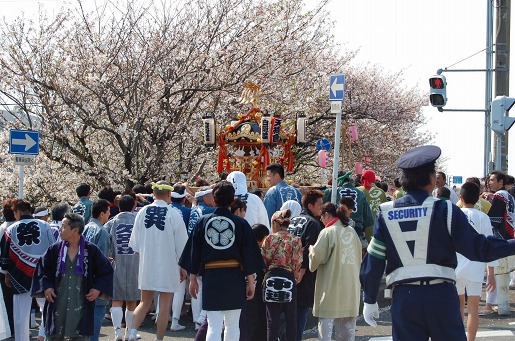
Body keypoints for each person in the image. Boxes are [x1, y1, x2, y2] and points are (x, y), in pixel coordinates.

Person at [360, 145, 515, 341]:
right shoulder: (446, 210)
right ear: (432, 179)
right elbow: (480, 248)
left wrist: (370, 298)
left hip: (404, 298)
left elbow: (374, 261)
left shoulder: (385, 212)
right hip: (441, 295)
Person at [179, 180, 265, 341]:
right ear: (233, 200)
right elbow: (249, 255)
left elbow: (194, 253)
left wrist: (192, 279)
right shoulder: (241, 223)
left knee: (213, 324)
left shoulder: (203, 222)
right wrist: (251, 281)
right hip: (234, 278)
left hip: (211, 278)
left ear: (214, 198)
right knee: (232, 325)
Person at [31, 213, 113, 341]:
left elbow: (106, 271)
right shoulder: (55, 249)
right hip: (58, 303)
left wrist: (97, 289)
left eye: (63, 226)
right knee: (54, 336)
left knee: (80, 336)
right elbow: (42, 269)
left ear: (75, 230)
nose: (60, 229)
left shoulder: (91, 250)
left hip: (80, 303)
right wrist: (46, 287)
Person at [127, 181, 188, 341]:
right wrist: (183, 267)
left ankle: (132, 333)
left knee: (144, 301)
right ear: (169, 194)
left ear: (153, 194)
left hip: (147, 264)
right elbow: (182, 245)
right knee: (164, 305)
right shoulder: (173, 213)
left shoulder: (142, 212)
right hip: (168, 265)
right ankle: (159, 339)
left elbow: (135, 244)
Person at [0, 199, 56, 341]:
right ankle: (44, 335)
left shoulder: (10, 229)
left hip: (19, 275)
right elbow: (54, 250)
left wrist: (6, 273)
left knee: (20, 315)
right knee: (47, 309)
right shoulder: (45, 225)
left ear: (18, 212)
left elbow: (5, 256)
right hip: (42, 274)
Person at [309, 198, 362, 341]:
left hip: (332, 285)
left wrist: (310, 249)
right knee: (347, 332)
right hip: (351, 285)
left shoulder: (328, 232)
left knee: (326, 326)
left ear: (327, 215)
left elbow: (316, 258)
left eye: (321, 216)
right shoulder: (351, 231)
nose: (321, 220)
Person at [455, 182, 497, 341]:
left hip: (456, 266)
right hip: (476, 266)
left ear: (461, 198)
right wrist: (491, 273)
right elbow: (489, 245)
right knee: (473, 308)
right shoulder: (483, 217)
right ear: (478, 200)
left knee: (458, 306)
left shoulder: (455, 215)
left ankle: (458, 338)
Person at [287, 189, 324, 341]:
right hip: (302, 275)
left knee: (288, 315)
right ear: (310, 205)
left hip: (287, 269)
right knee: (300, 313)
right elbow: (307, 248)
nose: (322, 207)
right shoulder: (313, 223)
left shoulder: (294, 220)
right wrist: (301, 271)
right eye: (320, 204)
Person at [261, 209, 303, 341]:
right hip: (288, 279)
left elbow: (263, 261)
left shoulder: (269, 238)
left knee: (272, 321)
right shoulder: (295, 240)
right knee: (291, 319)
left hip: (271, 277)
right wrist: (295, 276)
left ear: (275, 223)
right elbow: (297, 263)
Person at [105, 195, 140, 341]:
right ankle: (130, 333)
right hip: (135, 264)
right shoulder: (138, 221)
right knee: (132, 300)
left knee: (117, 299)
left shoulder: (111, 222)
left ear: (118, 207)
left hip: (117, 264)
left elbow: (106, 246)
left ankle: (117, 332)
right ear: (133, 206)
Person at [187, 186, 216, 329]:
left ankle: (196, 319)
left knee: (196, 287)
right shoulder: (209, 211)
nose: (214, 197)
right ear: (205, 197)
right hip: (204, 253)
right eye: (212, 195)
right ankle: (202, 319)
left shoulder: (194, 209)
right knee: (203, 287)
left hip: (193, 252)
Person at [82, 199, 111, 341]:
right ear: (102, 214)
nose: (109, 215)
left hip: (83, 279)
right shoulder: (102, 232)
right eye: (108, 212)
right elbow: (102, 263)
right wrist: (99, 286)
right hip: (96, 284)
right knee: (95, 324)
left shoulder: (85, 227)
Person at [323, 171, 373, 250]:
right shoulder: (361, 193)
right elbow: (368, 219)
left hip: (337, 230)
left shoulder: (333, 191)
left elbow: (319, 196)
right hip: (357, 231)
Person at [246, 223, 270, 341]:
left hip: (244, 291)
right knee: (256, 320)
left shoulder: (244, 248)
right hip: (255, 292)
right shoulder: (257, 252)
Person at [0, 198, 18, 338]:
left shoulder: (2, 228)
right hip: (21, 269)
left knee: (7, 302)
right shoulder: (18, 227)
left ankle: (10, 328)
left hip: (3, 269)